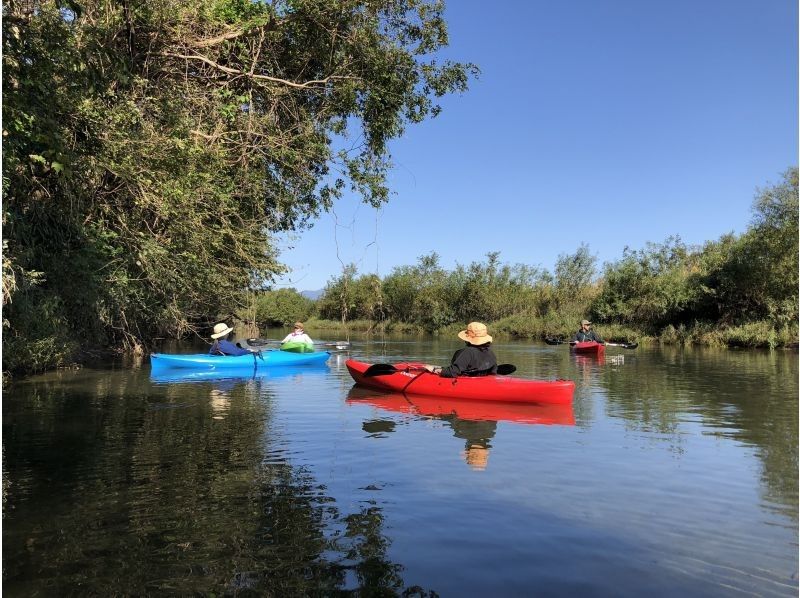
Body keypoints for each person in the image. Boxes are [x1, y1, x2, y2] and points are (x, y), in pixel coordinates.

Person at [424, 322, 498, 378]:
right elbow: (493, 371)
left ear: (467, 339)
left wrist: (434, 370)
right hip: (482, 383)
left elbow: (453, 372)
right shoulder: (490, 353)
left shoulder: (467, 352)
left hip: (467, 383)